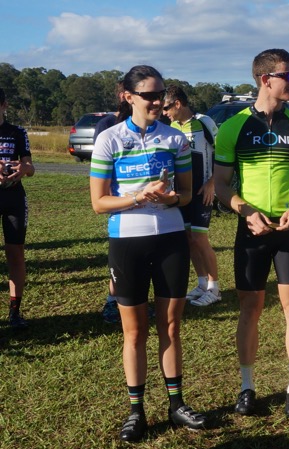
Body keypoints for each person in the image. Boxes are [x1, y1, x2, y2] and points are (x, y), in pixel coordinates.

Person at [90, 65, 207, 442]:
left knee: (171, 327)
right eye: (149, 95)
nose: (157, 101)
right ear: (128, 96)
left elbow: (186, 195)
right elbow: (98, 203)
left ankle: (176, 404)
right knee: (135, 331)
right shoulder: (109, 139)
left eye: (161, 95)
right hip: (128, 241)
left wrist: (170, 198)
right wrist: (138, 197)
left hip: (171, 238)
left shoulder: (175, 139)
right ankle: (136, 411)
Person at [214, 49, 289, 419]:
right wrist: (245, 211)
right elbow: (221, 185)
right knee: (250, 309)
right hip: (252, 230)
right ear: (265, 79)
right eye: (287, 76)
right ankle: (247, 387)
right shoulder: (234, 127)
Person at [163, 85, 221, 307]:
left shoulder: (203, 122)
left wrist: (212, 183)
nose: (164, 112)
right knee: (189, 239)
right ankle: (202, 283)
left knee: (199, 239)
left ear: (178, 103)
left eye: (167, 108)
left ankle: (214, 289)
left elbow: (223, 153)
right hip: (182, 192)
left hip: (202, 191)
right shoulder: (172, 127)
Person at [0, 87, 35, 330]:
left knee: (15, 253)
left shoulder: (17, 132)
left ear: (4, 106)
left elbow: (30, 167)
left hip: (13, 197)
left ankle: (15, 311)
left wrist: (23, 169)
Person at [94, 81, 125, 324]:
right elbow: (101, 167)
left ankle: (137, 301)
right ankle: (112, 301)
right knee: (120, 259)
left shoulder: (155, 125)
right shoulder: (107, 125)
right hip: (117, 203)